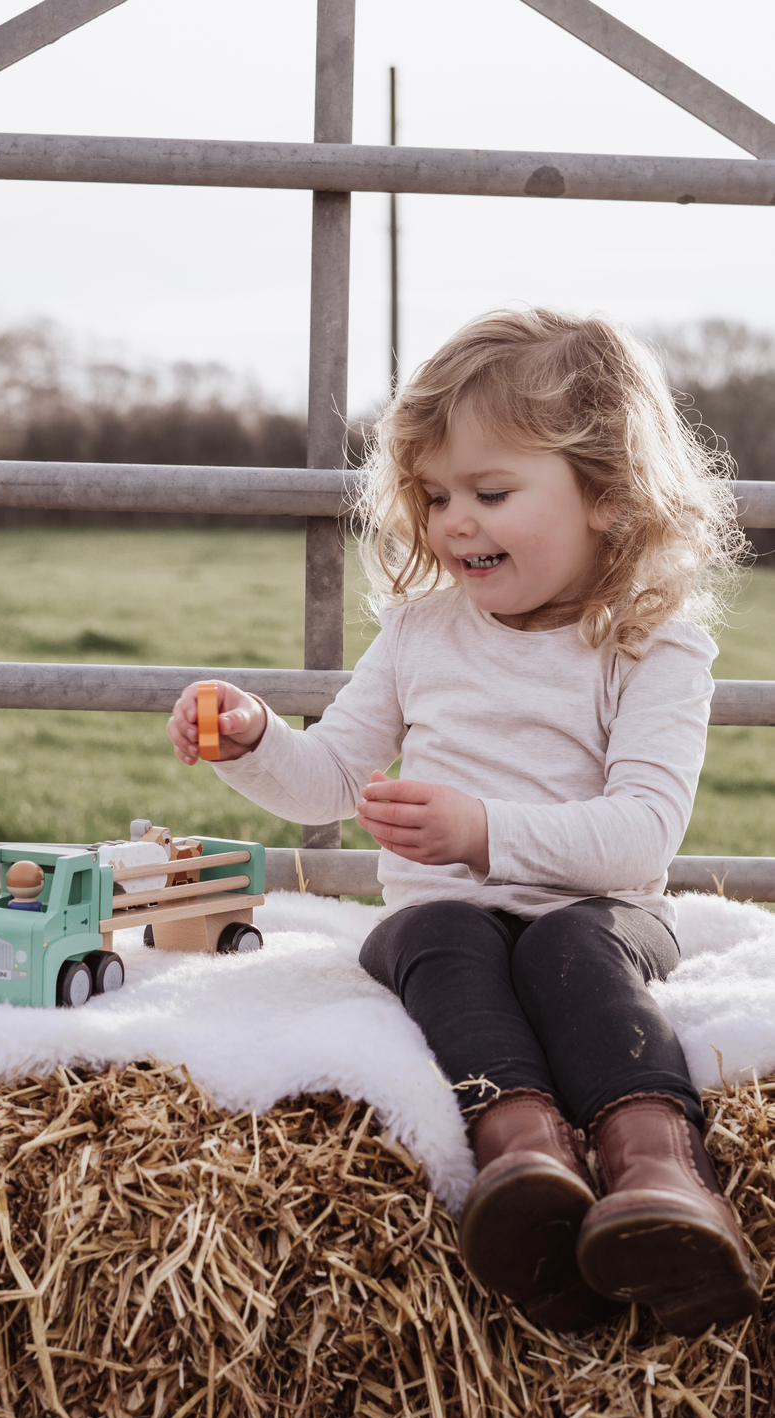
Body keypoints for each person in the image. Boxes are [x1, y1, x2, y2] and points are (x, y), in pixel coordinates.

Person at [167, 305, 761, 1337]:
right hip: (450, 913)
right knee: (432, 932)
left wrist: (484, 830)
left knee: (567, 944)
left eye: (491, 492)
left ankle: (658, 1170)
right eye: (436, 495)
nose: (453, 524)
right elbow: (330, 781)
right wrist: (256, 738)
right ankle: (522, 1154)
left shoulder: (652, 643)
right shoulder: (420, 634)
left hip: (607, 916)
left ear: (609, 497)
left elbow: (642, 835)